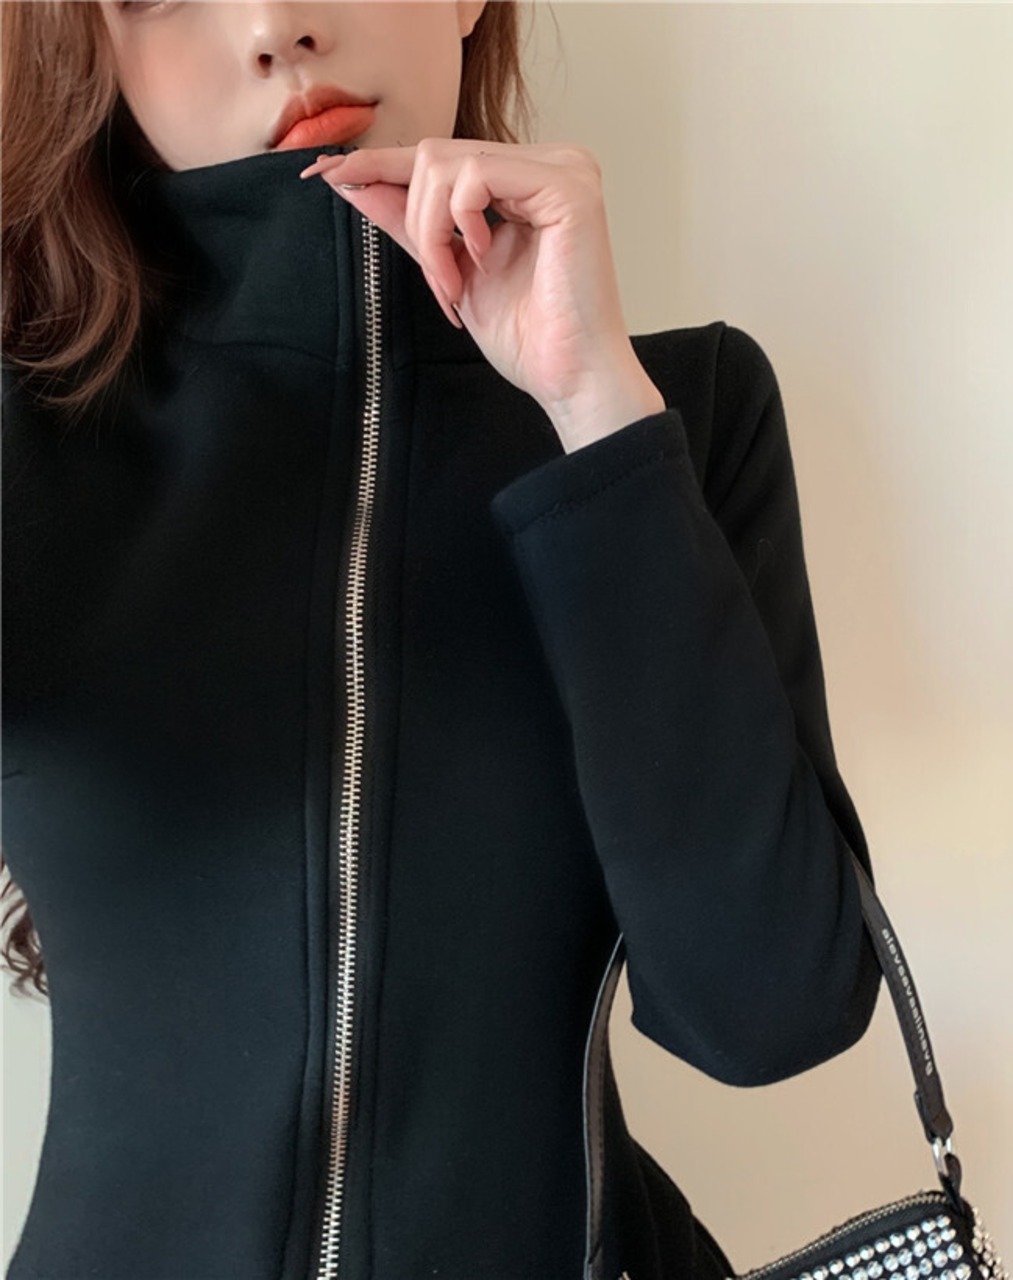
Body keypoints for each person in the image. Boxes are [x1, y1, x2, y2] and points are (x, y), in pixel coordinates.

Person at [0, 3, 883, 1277]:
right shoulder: (31, 441)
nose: (274, 25)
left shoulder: (670, 416)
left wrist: (592, 411)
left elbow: (769, 1009)